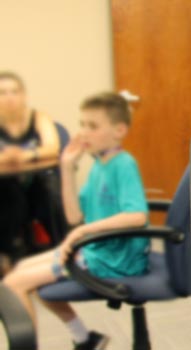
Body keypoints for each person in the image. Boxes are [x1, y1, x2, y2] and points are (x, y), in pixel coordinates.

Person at [2, 92, 150, 350]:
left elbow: (137, 216)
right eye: (82, 124)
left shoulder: (123, 165)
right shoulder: (99, 165)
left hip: (113, 259)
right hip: (95, 249)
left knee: (14, 283)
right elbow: (74, 216)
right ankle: (85, 339)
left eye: (92, 126)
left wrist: (79, 234)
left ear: (119, 130)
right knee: (20, 273)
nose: (83, 133)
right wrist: (68, 167)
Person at [0, 71, 67, 266]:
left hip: (36, 180)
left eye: (14, 91)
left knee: (50, 190)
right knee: (10, 193)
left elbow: (53, 147)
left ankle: (64, 248)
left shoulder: (38, 117)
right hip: (4, 185)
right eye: (3, 92)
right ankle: (12, 255)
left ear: (24, 95)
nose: (9, 97)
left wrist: (22, 156)